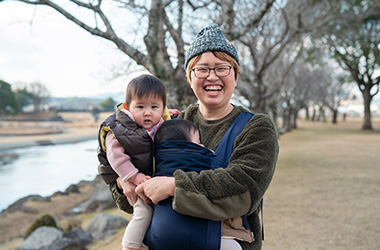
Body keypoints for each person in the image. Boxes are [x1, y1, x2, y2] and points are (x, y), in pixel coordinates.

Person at [104, 23, 279, 250]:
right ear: (190, 78)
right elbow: (134, 191)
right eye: (202, 69)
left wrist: (173, 186)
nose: (212, 76)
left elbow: (243, 191)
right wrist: (123, 179)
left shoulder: (256, 127)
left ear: (235, 76)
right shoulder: (170, 124)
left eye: (222, 68)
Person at [97, 74, 177, 250]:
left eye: (154, 107)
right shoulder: (118, 129)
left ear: (163, 107)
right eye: (140, 106)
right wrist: (133, 176)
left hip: (158, 182)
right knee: (143, 213)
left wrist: (168, 116)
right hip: (138, 182)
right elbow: (116, 158)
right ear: (127, 107)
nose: (147, 112)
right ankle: (130, 246)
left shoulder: (159, 122)